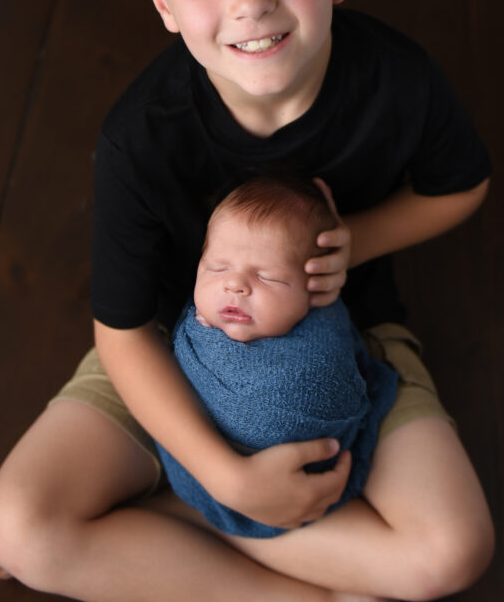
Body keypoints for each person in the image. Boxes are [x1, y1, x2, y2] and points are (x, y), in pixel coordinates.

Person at [0, 0, 495, 602]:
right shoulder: (140, 136)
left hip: (353, 341)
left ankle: (152, 533)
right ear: (162, 1)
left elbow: (461, 187)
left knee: (450, 552)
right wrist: (222, 475)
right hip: (183, 349)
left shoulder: (396, 80)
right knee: (15, 526)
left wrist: (356, 246)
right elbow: (123, 331)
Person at [157, 174, 400, 538]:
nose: (234, 284)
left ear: (314, 289)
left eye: (267, 277)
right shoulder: (195, 329)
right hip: (209, 471)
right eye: (217, 267)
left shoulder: (319, 353)